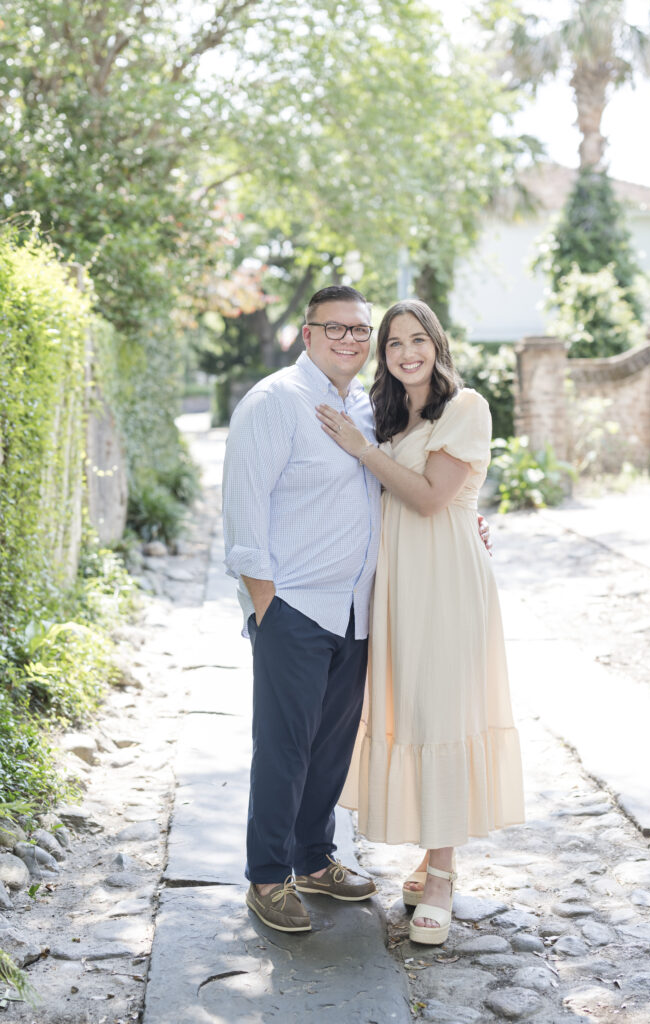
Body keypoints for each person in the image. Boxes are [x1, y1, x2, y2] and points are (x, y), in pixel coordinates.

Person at [223, 285, 491, 935]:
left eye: (358, 330)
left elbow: (414, 486)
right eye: (335, 328)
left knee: (331, 746)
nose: (350, 339)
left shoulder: (370, 411)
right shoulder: (273, 402)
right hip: (295, 606)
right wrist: (264, 602)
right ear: (308, 333)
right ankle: (267, 877)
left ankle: (315, 860)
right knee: (284, 746)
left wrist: (467, 519)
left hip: (361, 610)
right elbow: (244, 508)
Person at [316, 298, 524, 946]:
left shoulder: (465, 408)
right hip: (400, 586)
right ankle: (430, 854)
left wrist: (360, 451)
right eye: (393, 344)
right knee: (414, 712)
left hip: (448, 584)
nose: (406, 353)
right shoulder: (387, 416)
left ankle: (442, 873)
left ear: (437, 344)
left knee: (443, 716)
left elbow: (433, 500)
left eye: (417, 340)